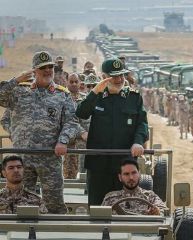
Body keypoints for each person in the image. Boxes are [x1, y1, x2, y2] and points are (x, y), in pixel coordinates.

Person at [0, 51, 79, 213]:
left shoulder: (62, 95)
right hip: (23, 159)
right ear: (34, 71)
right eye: (43, 67)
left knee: (54, 203)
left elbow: (72, 122)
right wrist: (17, 80)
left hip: (50, 158)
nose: (48, 70)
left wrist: (63, 140)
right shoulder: (19, 91)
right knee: (21, 203)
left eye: (50, 67)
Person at [76, 58, 149, 206]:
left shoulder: (134, 98)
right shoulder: (97, 97)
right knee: (97, 208)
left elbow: (142, 124)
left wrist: (138, 142)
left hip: (124, 166)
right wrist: (95, 91)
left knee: (126, 207)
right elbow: (81, 113)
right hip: (98, 165)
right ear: (104, 77)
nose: (119, 79)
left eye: (121, 75)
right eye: (114, 76)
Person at [101, 160, 166, 215]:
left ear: (139, 174)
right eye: (126, 174)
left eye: (134, 173)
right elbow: (100, 219)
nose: (131, 177)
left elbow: (165, 212)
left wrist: (157, 212)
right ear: (120, 177)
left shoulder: (150, 196)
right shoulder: (110, 198)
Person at [63, 73, 89, 178]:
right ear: (66, 82)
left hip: (83, 142)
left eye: (76, 82)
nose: (74, 84)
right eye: (71, 81)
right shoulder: (61, 97)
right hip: (67, 142)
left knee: (83, 172)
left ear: (80, 83)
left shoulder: (85, 99)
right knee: (68, 174)